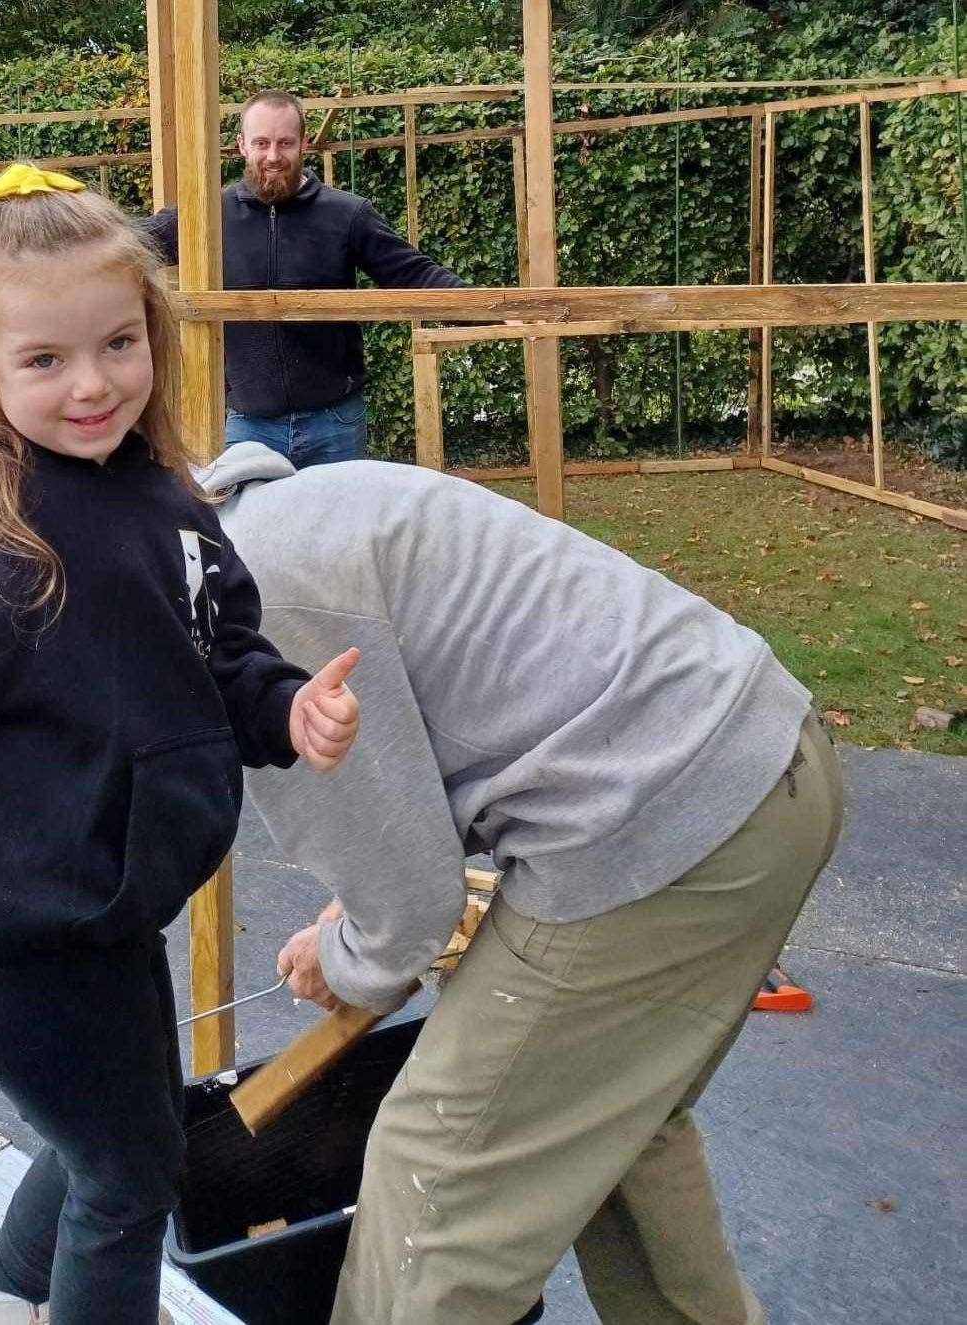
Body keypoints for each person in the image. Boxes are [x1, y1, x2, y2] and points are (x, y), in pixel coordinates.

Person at [0, 167, 361, 1325]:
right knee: (130, 1171)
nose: (93, 383)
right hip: (8, 941)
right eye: (45, 360)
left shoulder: (170, 500)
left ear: (153, 338)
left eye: (119, 344)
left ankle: (3, 1302)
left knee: (113, 1132)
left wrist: (286, 707)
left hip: (111, 912)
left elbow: (223, 652)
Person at [201, 442, 845, 1324]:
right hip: (766, 762)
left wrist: (344, 960)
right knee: (612, 1126)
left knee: (435, 1180)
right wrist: (370, 905)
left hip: (662, 830)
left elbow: (410, 914)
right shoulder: (274, 517)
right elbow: (424, 788)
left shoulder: (249, 617)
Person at [145, 89, 465, 467]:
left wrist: (490, 309)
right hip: (249, 424)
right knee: (252, 527)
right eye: (261, 143)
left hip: (334, 421)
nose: (273, 156)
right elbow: (128, 244)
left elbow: (413, 273)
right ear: (241, 146)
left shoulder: (347, 214)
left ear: (305, 144)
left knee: (341, 525)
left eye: (286, 143)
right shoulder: (208, 215)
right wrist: (66, 217)